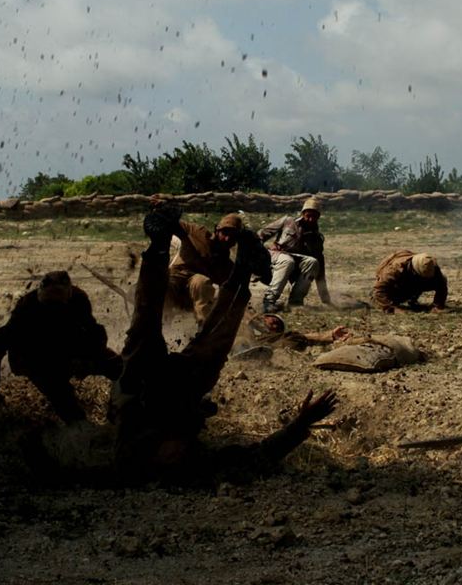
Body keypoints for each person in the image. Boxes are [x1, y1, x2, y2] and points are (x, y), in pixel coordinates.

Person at [105, 201, 336, 483]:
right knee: (213, 348)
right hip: (184, 383)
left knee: (143, 335)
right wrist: (301, 424)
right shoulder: (199, 465)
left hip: (140, 387)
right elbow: (258, 456)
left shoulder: (129, 460)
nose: (176, 450)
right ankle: (241, 275)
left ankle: (158, 248)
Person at [0, 271, 122, 423]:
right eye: (49, 307)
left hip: (69, 349)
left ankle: (122, 409)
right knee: (62, 396)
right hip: (35, 356)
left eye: (58, 308)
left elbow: (95, 334)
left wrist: (86, 360)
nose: (54, 312)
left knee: (119, 367)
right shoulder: (26, 312)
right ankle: (78, 428)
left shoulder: (78, 301)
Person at [166, 212, 246, 326]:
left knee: (201, 281)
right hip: (173, 282)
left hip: (192, 298)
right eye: (225, 233)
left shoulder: (226, 266)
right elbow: (172, 223)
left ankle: (203, 331)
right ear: (217, 230)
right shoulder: (198, 233)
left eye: (233, 237)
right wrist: (161, 207)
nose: (228, 238)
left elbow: (237, 294)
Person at [259, 198, 332, 312]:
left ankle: (295, 303)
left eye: (314, 216)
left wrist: (325, 298)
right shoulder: (287, 221)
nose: (311, 219)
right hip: (277, 256)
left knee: (312, 262)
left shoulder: (316, 238)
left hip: (296, 264)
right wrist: (258, 253)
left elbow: (320, 266)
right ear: (303, 213)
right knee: (288, 260)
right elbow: (262, 234)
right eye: (308, 215)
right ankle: (269, 301)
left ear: (318, 217)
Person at [233, 312, 350, 360]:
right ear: (265, 317)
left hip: (264, 349)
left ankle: (248, 354)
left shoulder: (280, 336)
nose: (274, 325)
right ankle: (242, 353)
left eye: (277, 326)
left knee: (294, 338)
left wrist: (330, 335)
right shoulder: (248, 318)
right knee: (240, 339)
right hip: (232, 339)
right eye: (273, 321)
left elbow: (306, 337)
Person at [372, 250, 448, 314]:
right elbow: (379, 290)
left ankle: (412, 299)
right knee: (385, 298)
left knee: (438, 280)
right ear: (415, 271)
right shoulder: (395, 269)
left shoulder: (431, 266)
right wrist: (392, 309)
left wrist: (438, 306)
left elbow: (441, 284)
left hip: (412, 282)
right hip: (396, 286)